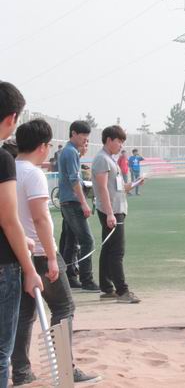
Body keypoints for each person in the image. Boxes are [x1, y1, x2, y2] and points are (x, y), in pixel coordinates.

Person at [11, 119, 100, 385]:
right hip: (39, 251)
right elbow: (39, 218)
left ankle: (22, 371)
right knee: (63, 307)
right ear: (43, 146)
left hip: (19, 252)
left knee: (25, 314)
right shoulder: (32, 173)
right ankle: (64, 368)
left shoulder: (9, 170)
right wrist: (51, 256)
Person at [0, 81, 43, 388]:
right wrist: (29, 269)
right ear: (12, 118)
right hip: (4, 266)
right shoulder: (3, 159)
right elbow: (8, 219)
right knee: (2, 352)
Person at [93, 125, 142, 303]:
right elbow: (102, 188)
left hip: (116, 208)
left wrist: (135, 184)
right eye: (119, 141)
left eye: (122, 141)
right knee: (117, 251)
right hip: (112, 210)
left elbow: (117, 187)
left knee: (108, 249)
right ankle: (122, 291)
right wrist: (109, 213)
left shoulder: (110, 159)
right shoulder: (102, 159)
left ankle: (107, 288)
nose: (121, 145)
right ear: (109, 140)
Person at [57, 120, 99, 291]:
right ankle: (87, 279)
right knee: (87, 241)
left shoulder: (67, 151)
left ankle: (69, 277)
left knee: (70, 241)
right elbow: (74, 180)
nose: (85, 140)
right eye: (83, 136)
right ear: (73, 133)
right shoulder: (71, 152)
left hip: (66, 201)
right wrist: (84, 203)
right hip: (73, 202)